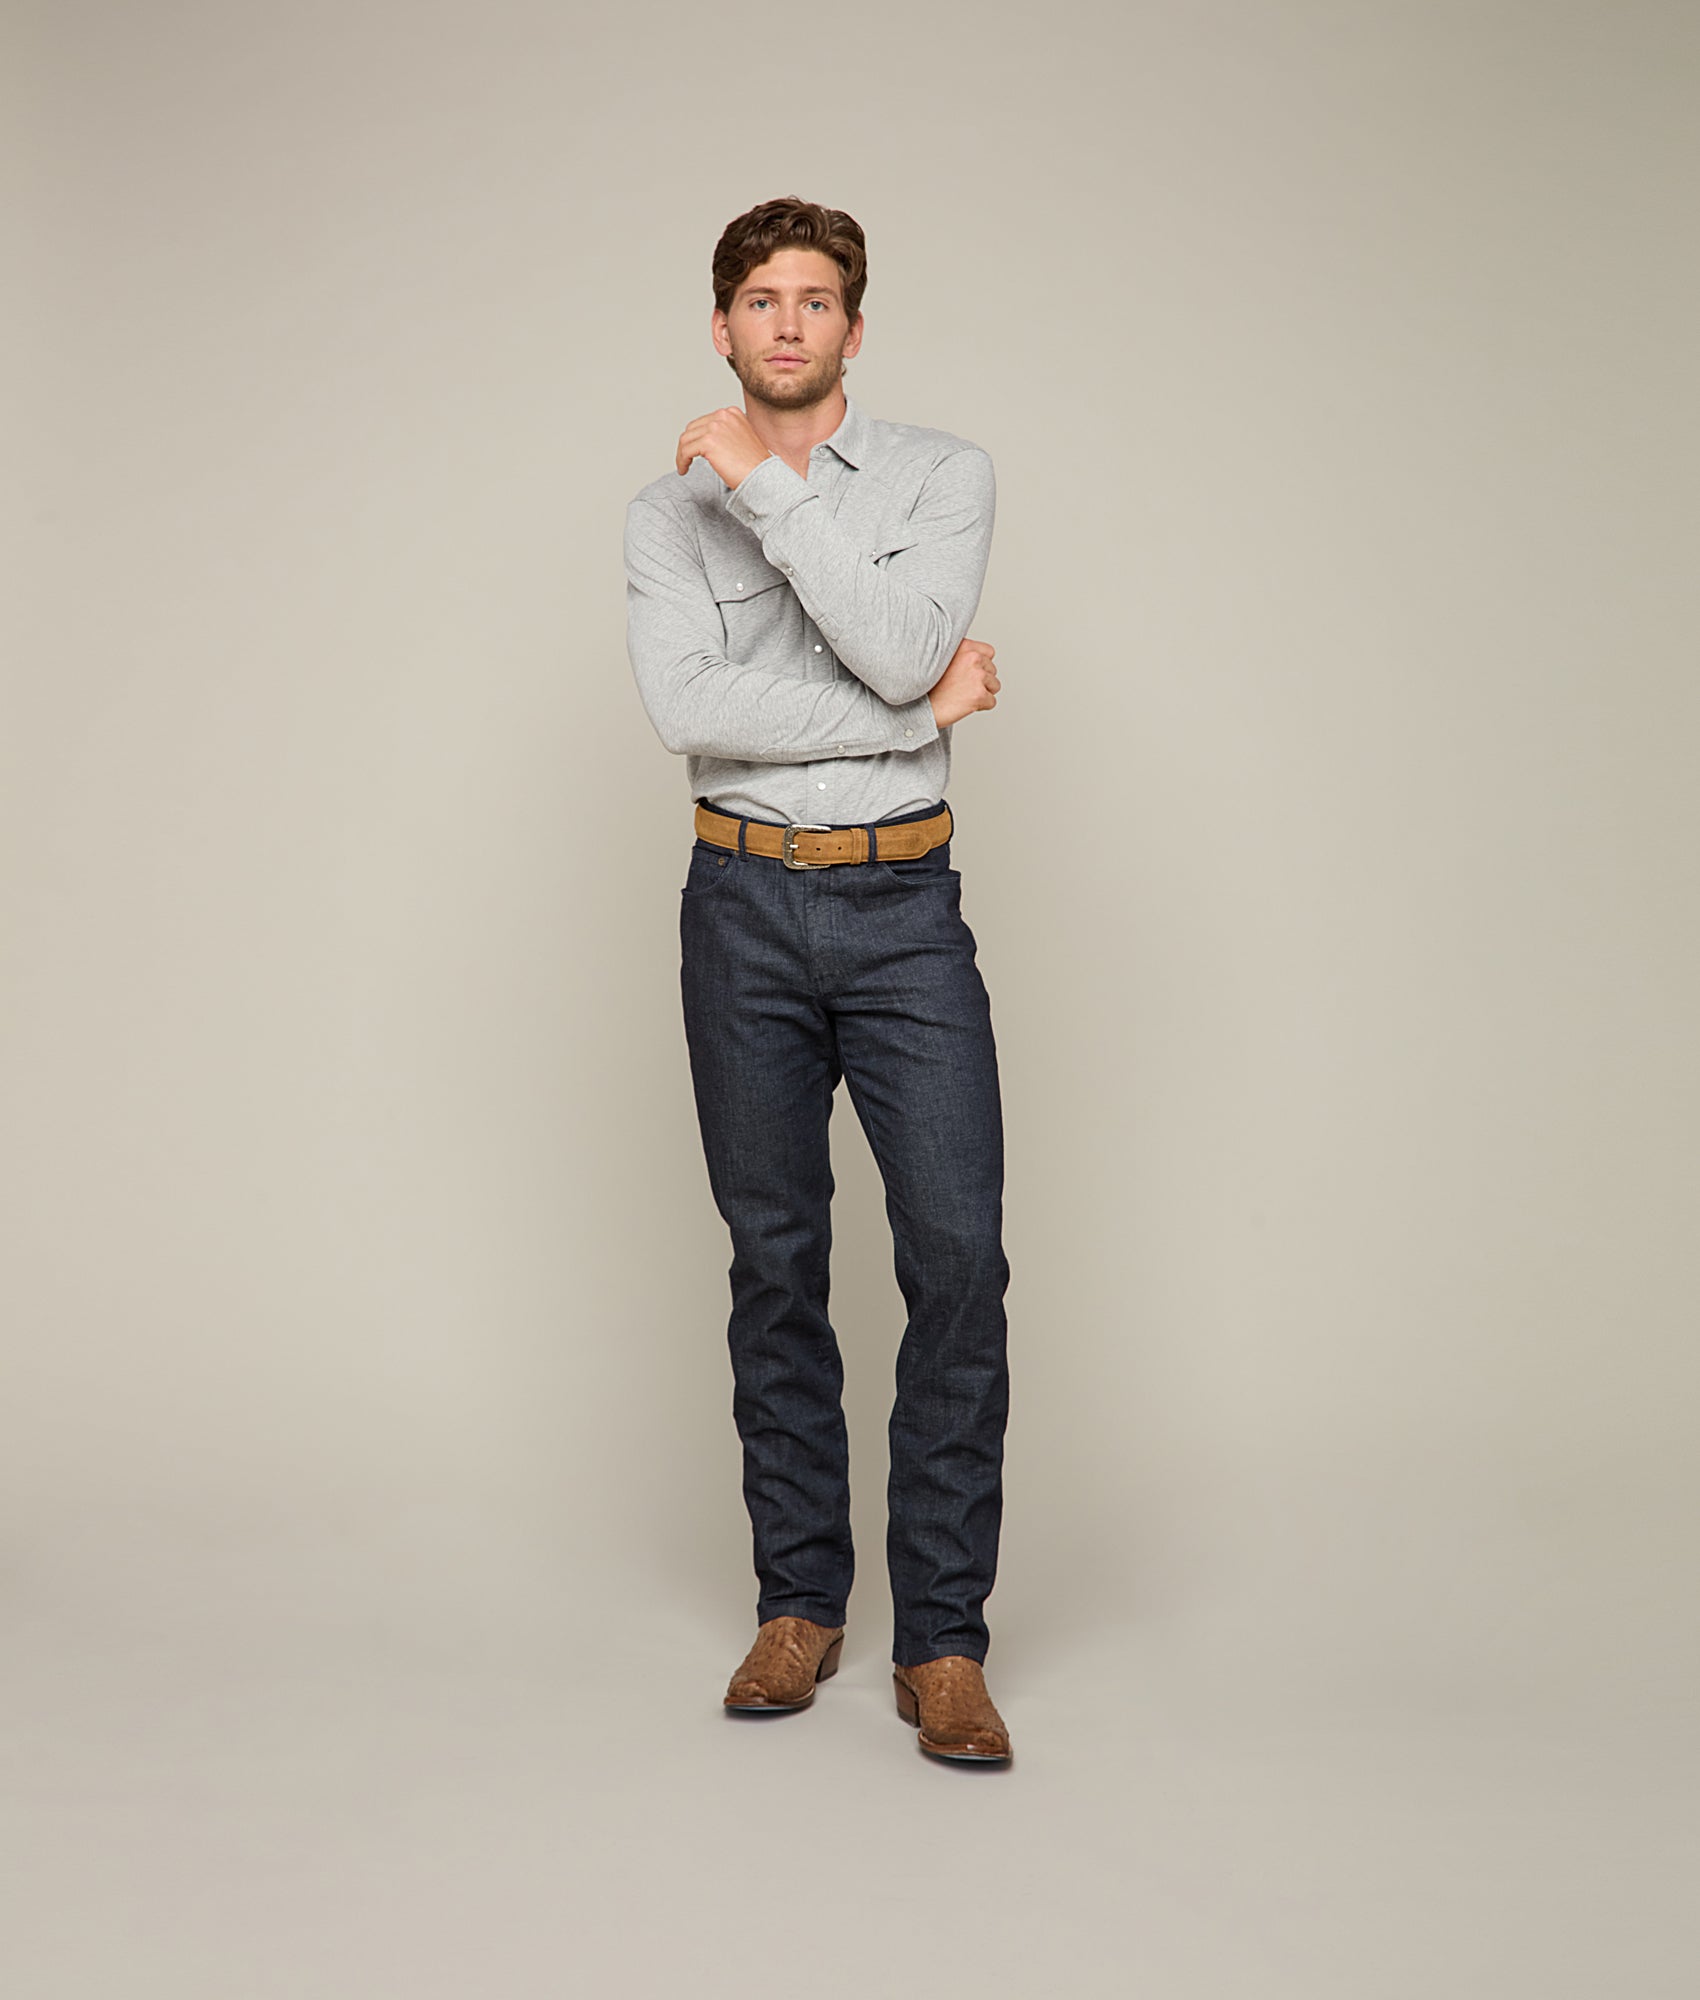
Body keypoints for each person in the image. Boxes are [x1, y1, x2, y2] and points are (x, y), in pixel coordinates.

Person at [622, 195, 1013, 1764]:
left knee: (958, 1259)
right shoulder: (660, 518)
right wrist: (916, 715)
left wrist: (768, 490)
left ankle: (944, 1642)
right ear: (721, 325)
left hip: (903, 906)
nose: (787, 322)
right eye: (760, 299)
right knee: (775, 1262)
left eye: (815, 299)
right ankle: (799, 1605)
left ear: (854, 325)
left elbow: (900, 638)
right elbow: (687, 710)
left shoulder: (940, 476)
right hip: (739, 906)